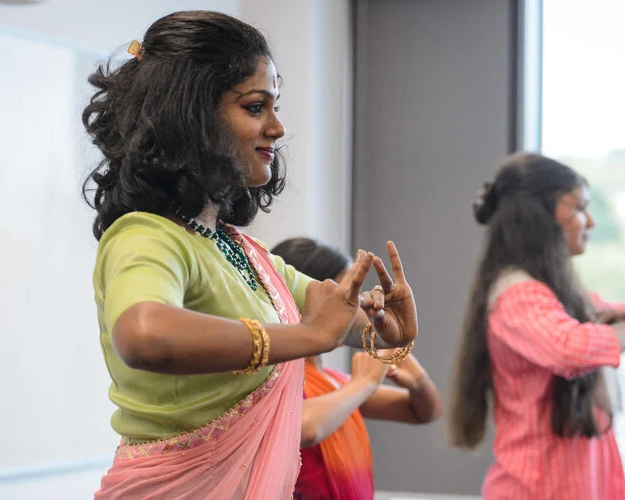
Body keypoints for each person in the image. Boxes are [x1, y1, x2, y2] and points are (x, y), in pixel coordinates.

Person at [81, 11, 418, 499]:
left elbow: (351, 327)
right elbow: (144, 334)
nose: (278, 129)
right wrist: (305, 335)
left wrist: (393, 332)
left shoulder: (247, 253)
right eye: (256, 106)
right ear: (192, 116)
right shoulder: (146, 236)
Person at [447, 152, 625, 500]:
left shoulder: (556, 293)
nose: (590, 222)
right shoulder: (517, 296)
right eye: (579, 208)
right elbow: (573, 349)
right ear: (538, 215)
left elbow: (611, 318)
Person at [271, 237, 443, 500]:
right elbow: (304, 426)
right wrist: (362, 384)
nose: (359, 307)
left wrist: (417, 379)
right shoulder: (278, 379)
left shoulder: (334, 383)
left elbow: (423, 412)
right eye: (348, 296)